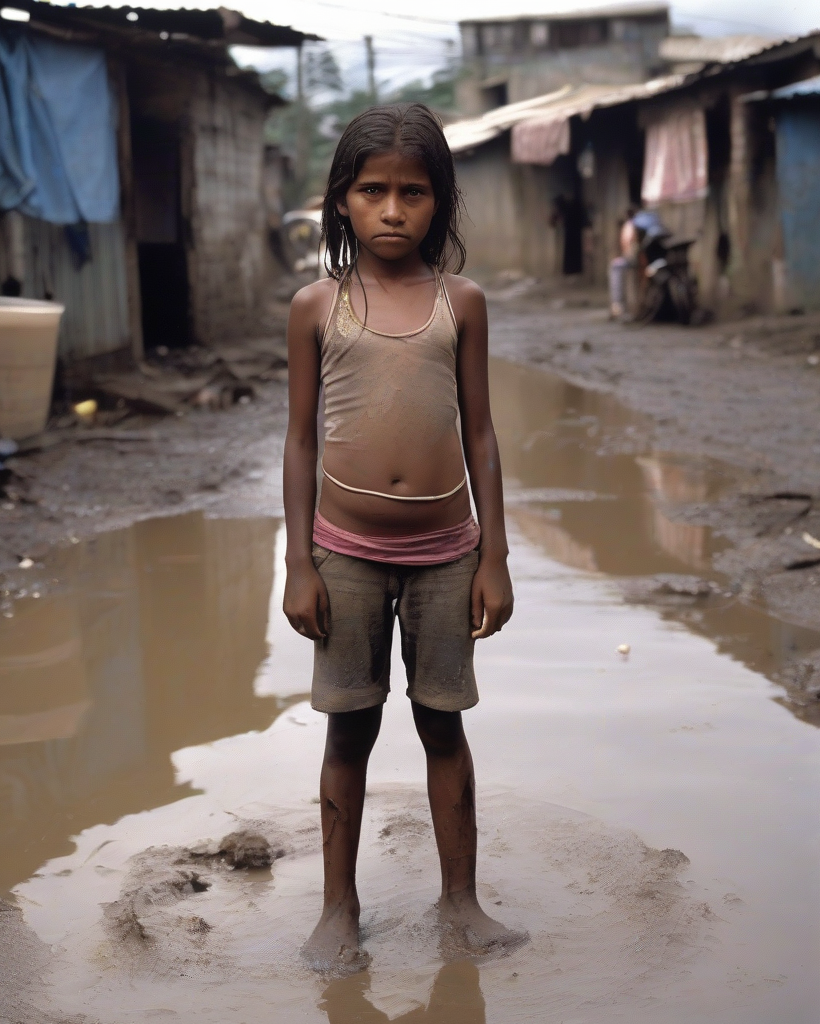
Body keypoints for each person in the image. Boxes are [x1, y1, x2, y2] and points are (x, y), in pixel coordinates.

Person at [282, 103, 527, 973]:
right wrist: (296, 564)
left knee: (442, 726)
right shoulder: (319, 306)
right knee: (347, 731)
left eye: (413, 192)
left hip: (445, 554)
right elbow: (301, 440)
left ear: (440, 201)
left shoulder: (461, 303)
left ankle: (461, 900)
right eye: (373, 190)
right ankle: (337, 910)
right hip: (343, 555)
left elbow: (483, 436)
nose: (393, 210)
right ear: (341, 201)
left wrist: (494, 558)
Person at [609, 205, 638, 320]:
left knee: (615, 267)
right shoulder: (632, 225)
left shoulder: (631, 226)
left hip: (633, 259)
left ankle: (617, 305)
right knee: (616, 265)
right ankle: (617, 305)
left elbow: (628, 246)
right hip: (632, 258)